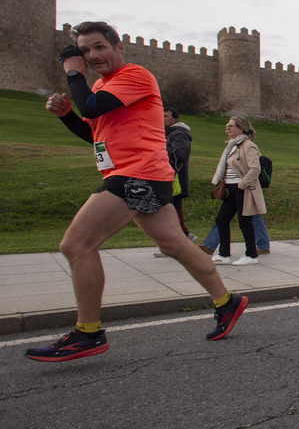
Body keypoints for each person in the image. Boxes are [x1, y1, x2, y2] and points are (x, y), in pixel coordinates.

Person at [26, 22, 248, 361]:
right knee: (174, 244)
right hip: (144, 174)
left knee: (76, 245)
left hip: (137, 173)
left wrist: (73, 74)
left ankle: (88, 333)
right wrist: (66, 114)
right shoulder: (102, 86)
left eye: (99, 47)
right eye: (85, 50)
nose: (92, 55)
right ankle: (226, 301)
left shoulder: (135, 76)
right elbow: (94, 133)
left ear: (119, 47)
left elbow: (91, 107)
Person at [211, 116, 267, 265]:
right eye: (227, 126)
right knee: (221, 219)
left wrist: (242, 184)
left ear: (240, 129)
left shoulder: (248, 146)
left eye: (230, 126)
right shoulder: (232, 145)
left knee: (245, 222)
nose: (227, 129)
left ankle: (251, 255)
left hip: (243, 189)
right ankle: (224, 254)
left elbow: (255, 168)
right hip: (230, 189)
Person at [152, 106, 197, 256]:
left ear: (175, 119)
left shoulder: (178, 133)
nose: (162, 118)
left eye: (165, 116)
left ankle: (180, 242)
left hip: (173, 179)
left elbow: (179, 154)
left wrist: (165, 165)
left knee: (171, 211)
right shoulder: (168, 134)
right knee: (170, 211)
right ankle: (184, 237)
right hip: (168, 178)